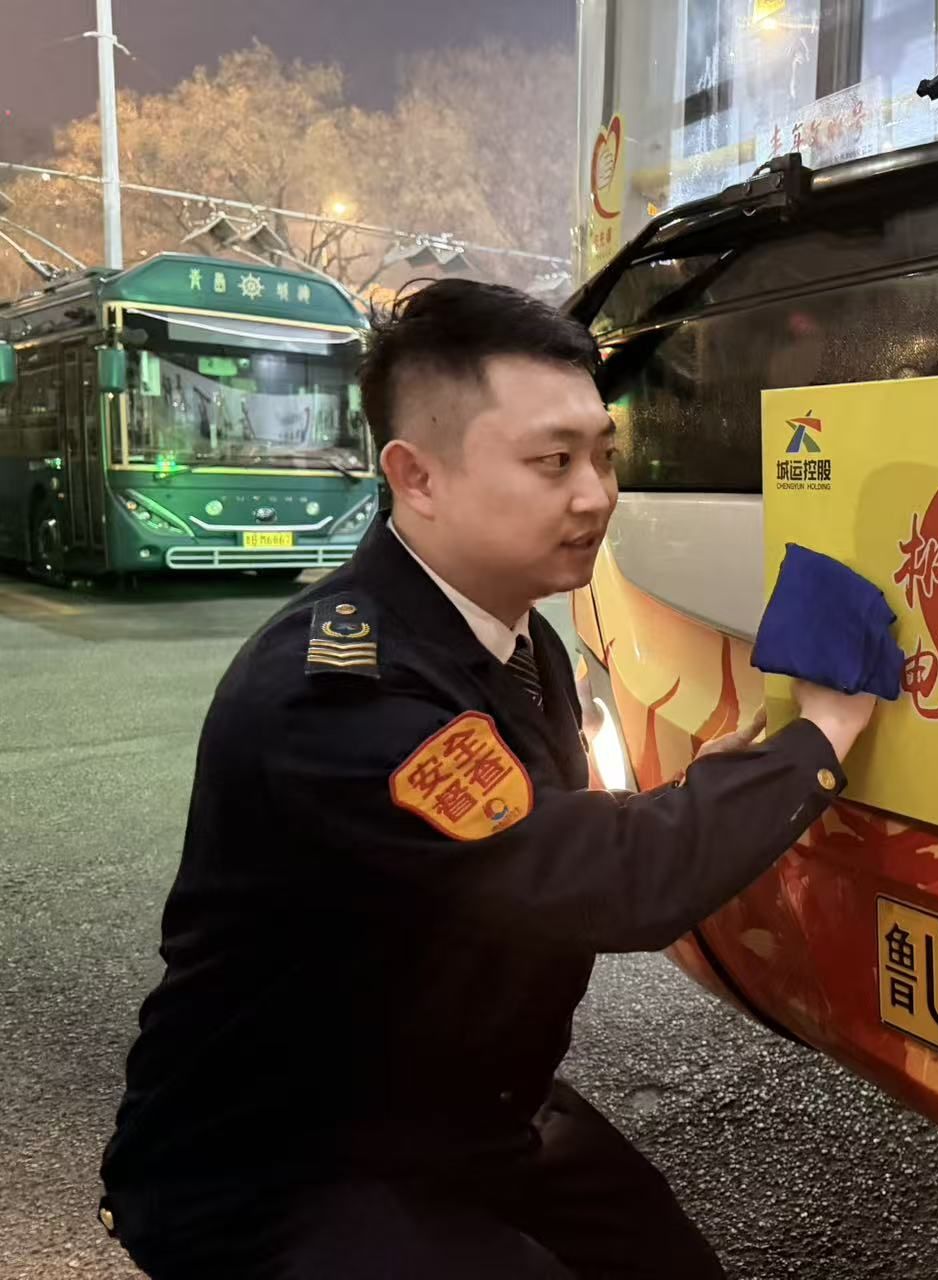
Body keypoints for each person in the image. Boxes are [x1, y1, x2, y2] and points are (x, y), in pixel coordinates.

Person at [99, 279, 877, 1279]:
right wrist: (818, 735)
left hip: (459, 1110)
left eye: (604, 455)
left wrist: (708, 791)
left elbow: (535, 834)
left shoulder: (513, 639)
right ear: (417, 476)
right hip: (281, 1162)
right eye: (552, 462)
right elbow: (603, 882)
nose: (595, 495)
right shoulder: (335, 692)